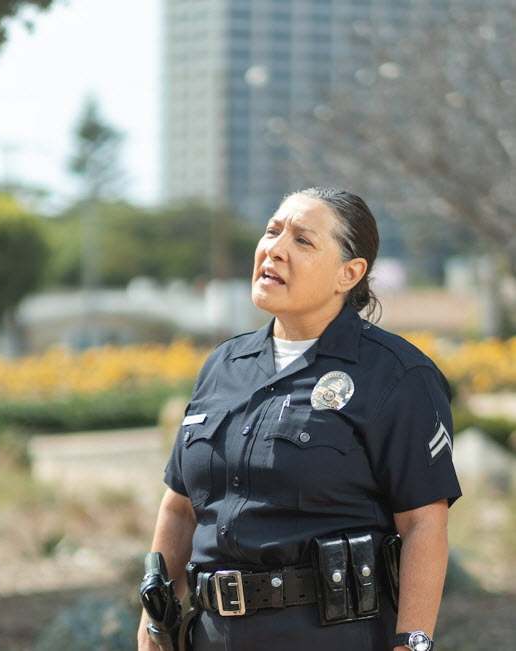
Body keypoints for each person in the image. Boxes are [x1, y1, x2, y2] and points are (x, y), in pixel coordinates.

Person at [137, 188, 461, 651]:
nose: (275, 248)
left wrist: (412, 643)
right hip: (210, 637)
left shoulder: (396, 375)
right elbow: (180, 508)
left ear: (348, 274)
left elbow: (423, 524)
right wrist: (153, 628)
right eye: (272, 231)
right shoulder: (222, 365)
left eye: (303, 241)